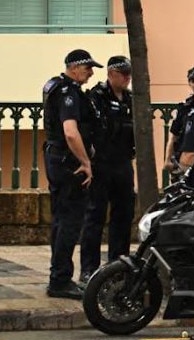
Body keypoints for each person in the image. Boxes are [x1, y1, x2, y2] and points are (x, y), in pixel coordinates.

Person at [42, 49, 102, 299]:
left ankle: (59, 275)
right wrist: (85, 162)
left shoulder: (55, 86)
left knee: (60, 219)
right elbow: (70, 131)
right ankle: (60, 280)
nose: (90, 74)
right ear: (75, 68)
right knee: (69, 221)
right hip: (69, 164)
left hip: (56, 158)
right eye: (87, 69)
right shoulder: (68, 93)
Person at [79, 56, 136, 285]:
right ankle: (89, 269)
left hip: (122, 162)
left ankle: (117, 264)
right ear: (111, 74)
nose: (127, 78)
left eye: (129, 74)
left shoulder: (131, 99)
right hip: (101, 163)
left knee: (124, 215)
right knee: (95, 215)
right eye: (123, 74)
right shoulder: (96, 97)